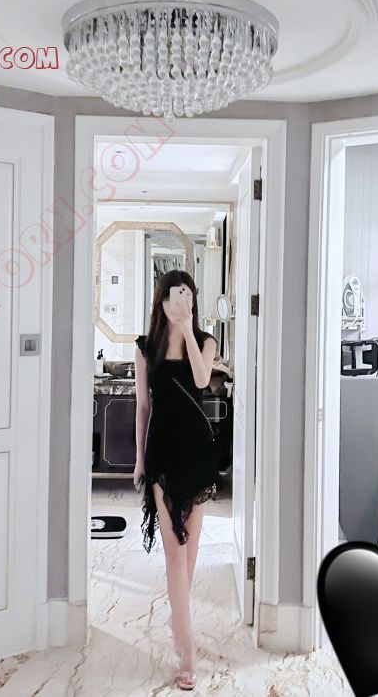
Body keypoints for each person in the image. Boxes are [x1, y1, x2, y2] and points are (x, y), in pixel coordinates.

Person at [133, 269, 222, 691]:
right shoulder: (145, 348)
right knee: (174, 554)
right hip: (163, 455)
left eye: (187, 294)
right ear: (161, 300)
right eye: (173, 294)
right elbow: (143, 408)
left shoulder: (206, 341)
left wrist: (187, 329)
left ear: (193, 300)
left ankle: (177, 619)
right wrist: (138, 460)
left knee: (190, 552)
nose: (180, 300)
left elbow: (202, 381)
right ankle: (187, 652)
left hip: (197, 453)